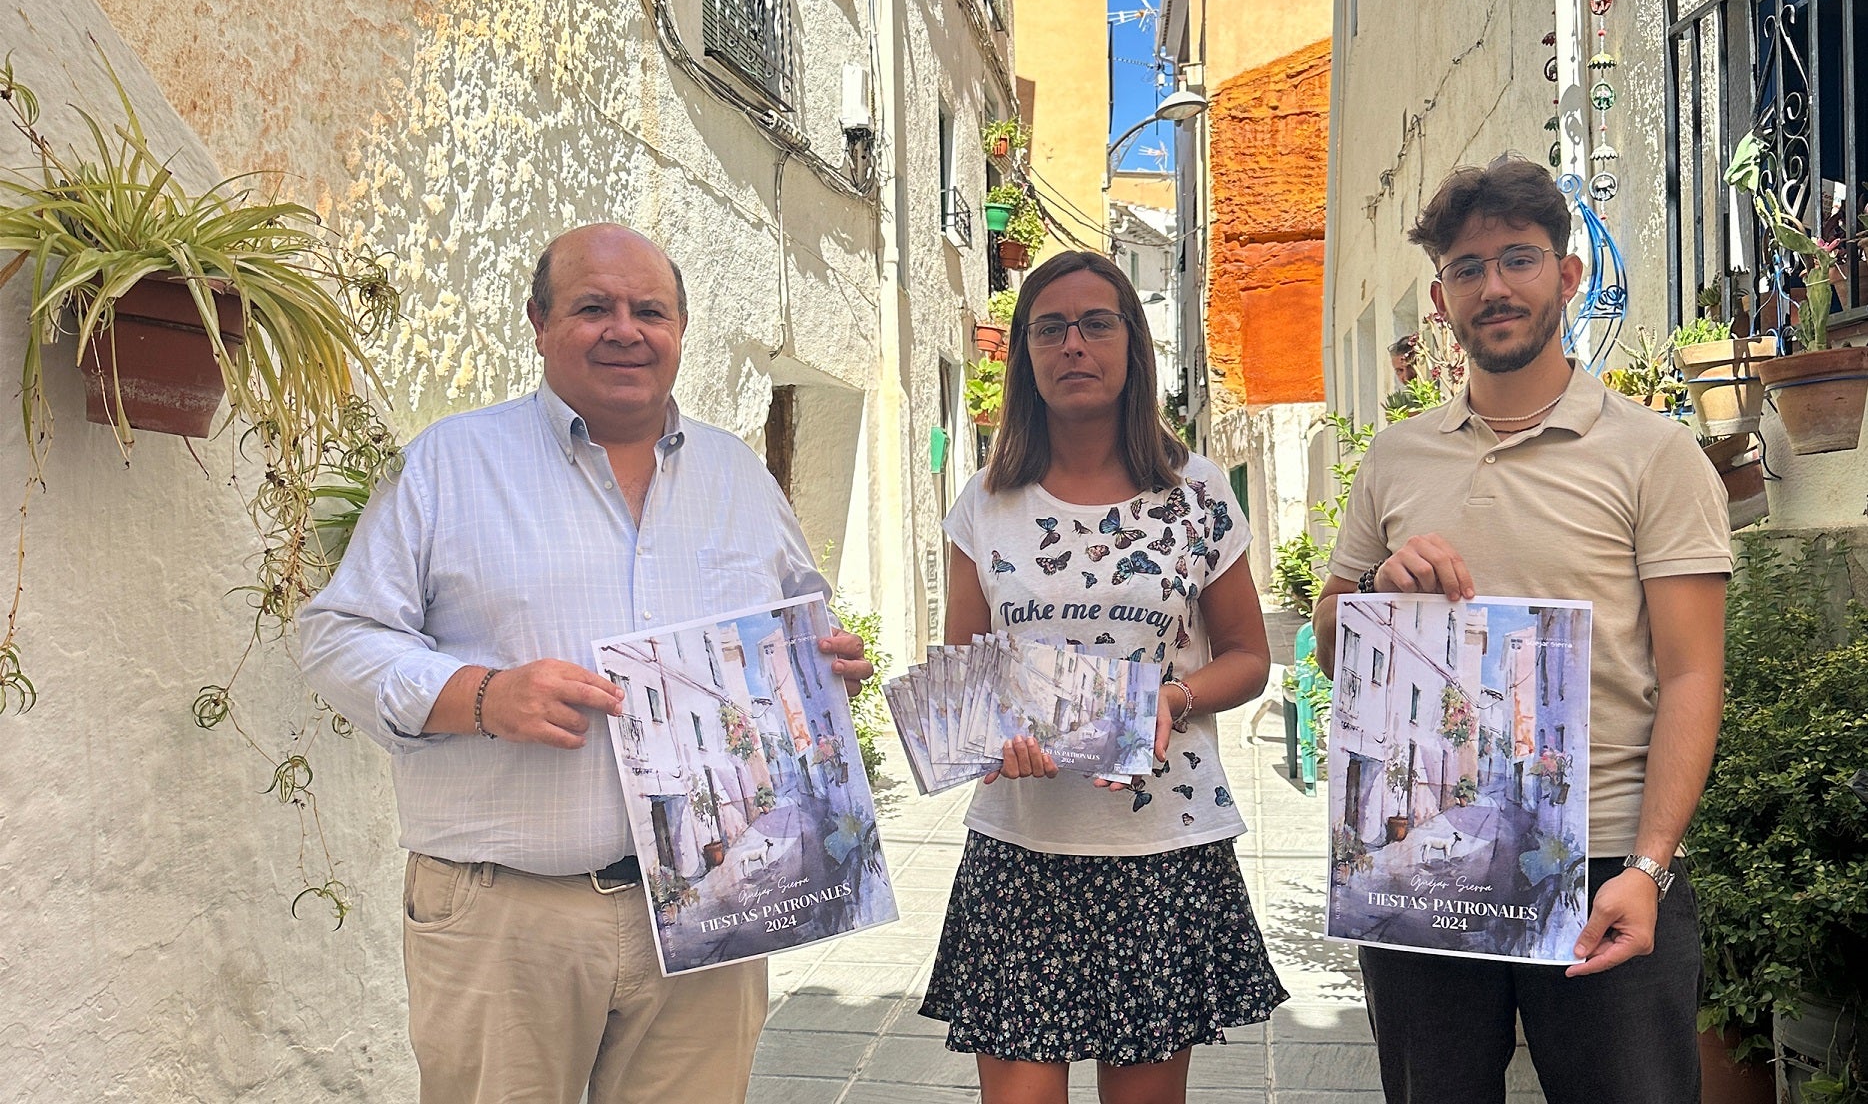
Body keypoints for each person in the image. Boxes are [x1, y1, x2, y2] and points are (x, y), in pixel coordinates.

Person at [299, 223, 873, 1104]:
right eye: (592, 307)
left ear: (680, 329)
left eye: (650, 310)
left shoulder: (740, 476)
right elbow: (338, 635)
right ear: (538, 321)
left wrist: (825, 663)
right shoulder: (449, 464)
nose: (625, 329)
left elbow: (807, 619)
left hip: (713, 910)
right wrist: (479, 694)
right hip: (507, 917)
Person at [1313, 159, 1730, 1104]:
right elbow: (1333, 639)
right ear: (1441, 297)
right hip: (1424, 860)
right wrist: (1380, 589)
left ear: (1567, 275)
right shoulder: (1395, 456)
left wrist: (1651, 869)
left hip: (1600, 867)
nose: (1494, 286)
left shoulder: (1654, 453)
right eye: (1468, 268)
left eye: (1518, 259)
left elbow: (1693, 676)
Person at [920, 251, 1288, 1104]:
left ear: (1132, 345)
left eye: (1096, 323)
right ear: (1024, 354)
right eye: (1050, 327)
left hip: (1156, 852)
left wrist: (1175, 695)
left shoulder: (1194, 491)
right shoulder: (985, 500)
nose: (1073, 343)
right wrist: (983, 740)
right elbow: (966, 677)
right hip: (1021, 853)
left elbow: (1248, 654)